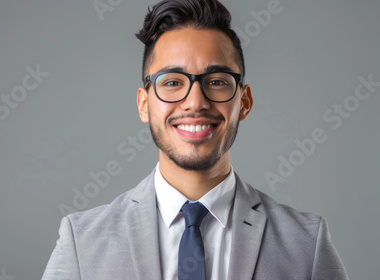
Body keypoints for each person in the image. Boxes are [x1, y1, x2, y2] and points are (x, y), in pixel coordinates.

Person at [41, 0, 348, 279]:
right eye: (172, 82)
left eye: (216, 81)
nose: (195, 102)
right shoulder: (82, 242)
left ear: (244, 101)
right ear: (144, 104)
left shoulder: (307, 244)